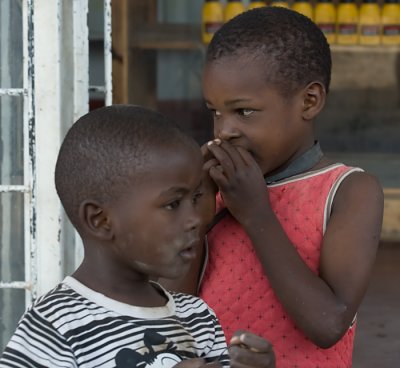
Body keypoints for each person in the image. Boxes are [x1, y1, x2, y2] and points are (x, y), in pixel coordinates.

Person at [162, 7, 384, 368]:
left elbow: (328, 324)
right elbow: (174, 310)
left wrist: (255, 213)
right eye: (215, 111)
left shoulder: (349, 191)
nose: (224, 131)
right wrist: (197, 214)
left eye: (244, 112)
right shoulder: (216, 191)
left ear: (309, 101)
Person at [0, 105, 275, 368]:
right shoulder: (57, 325)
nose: (194, 219)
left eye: (196, 198)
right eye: (173, 204)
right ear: (101, 220)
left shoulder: (196, 316)